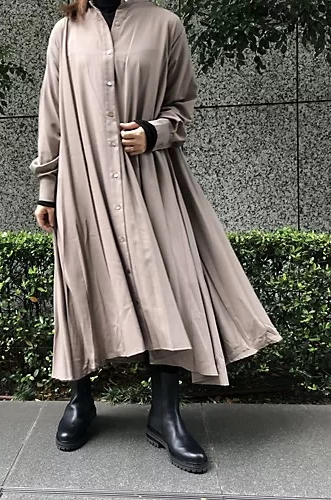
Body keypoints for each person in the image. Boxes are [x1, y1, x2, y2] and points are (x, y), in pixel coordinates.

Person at [29, 0, 283, 474]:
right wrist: (48, 189)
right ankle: (81, 401)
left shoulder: (165, 25)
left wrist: (155, 132)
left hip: (150, 179)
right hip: (82, 183)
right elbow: (53, 115)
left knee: (169, 287)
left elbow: (182, 103)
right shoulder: (65, 32)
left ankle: (165, 413)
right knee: (81, 282)